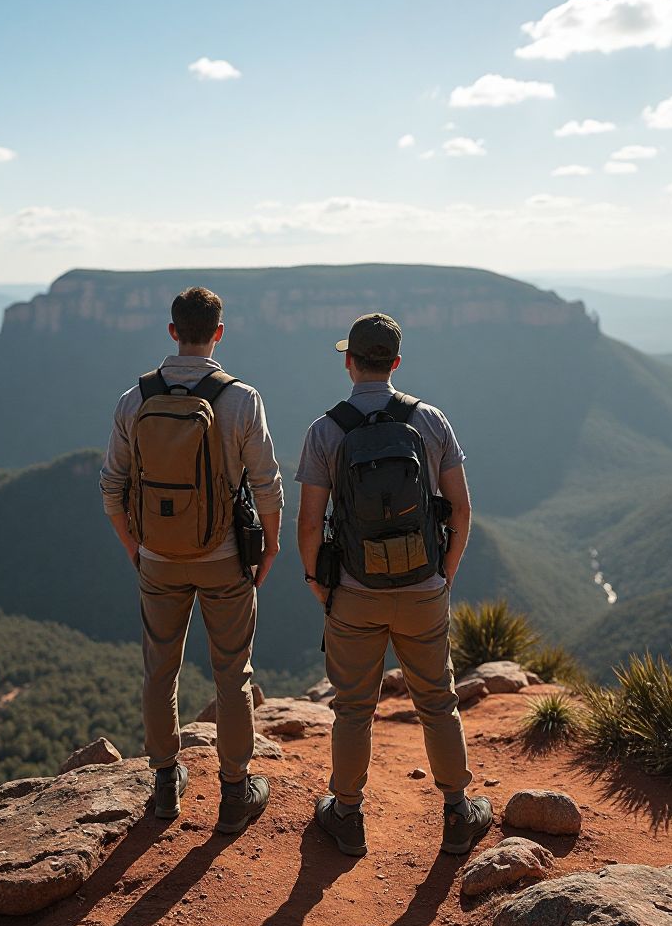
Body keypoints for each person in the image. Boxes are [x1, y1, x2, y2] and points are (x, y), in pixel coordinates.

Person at [295, 312, 491, 857]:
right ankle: (457, 813)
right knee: (436, 701)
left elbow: (310, 521)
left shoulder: (325, 430)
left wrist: (317, 581)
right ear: (397, 363)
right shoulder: (430, 421)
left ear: (350, 363)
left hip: (353, 591)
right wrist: (444, 572)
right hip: (424, 586)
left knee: (354, 708)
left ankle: (347, 815)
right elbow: (462, 507)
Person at [100, 286, 283, 833]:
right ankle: (234, 791)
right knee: (232, 674)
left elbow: (111, 487)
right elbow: (268, 485)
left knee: (160, 669)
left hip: (157, 557)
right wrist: (269, 547)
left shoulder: (133, 400)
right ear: (218, 333)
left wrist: (136, 548)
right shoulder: (242, 399)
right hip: (225, 558)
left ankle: (164, 784)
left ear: (172, 330)